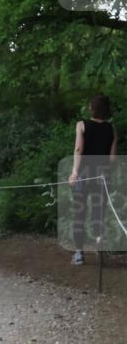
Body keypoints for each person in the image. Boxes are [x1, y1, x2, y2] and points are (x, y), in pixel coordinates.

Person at [68, 94, 117, 265]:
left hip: (83, 175)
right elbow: (112, 159)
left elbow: (78, 150)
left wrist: (74, 172)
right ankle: (99, 249)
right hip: (102, 177)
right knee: (99, 214)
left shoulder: (81, 125)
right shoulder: (111, 129)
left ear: (91, 108)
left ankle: (79, 254)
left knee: (79, 214)